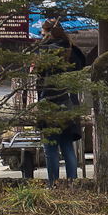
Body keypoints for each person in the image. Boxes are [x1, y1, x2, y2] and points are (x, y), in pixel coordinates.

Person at [37, 19, 88, 183]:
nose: (41, 37)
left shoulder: (49, 53)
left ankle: (54, 185)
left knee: (50, 148)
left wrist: (41, 104)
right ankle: (72, 184)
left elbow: (44, 81)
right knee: (67, 147)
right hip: (70, 103)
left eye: (43, 34)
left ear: (50, 34)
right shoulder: (73, 51)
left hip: (51, 103)